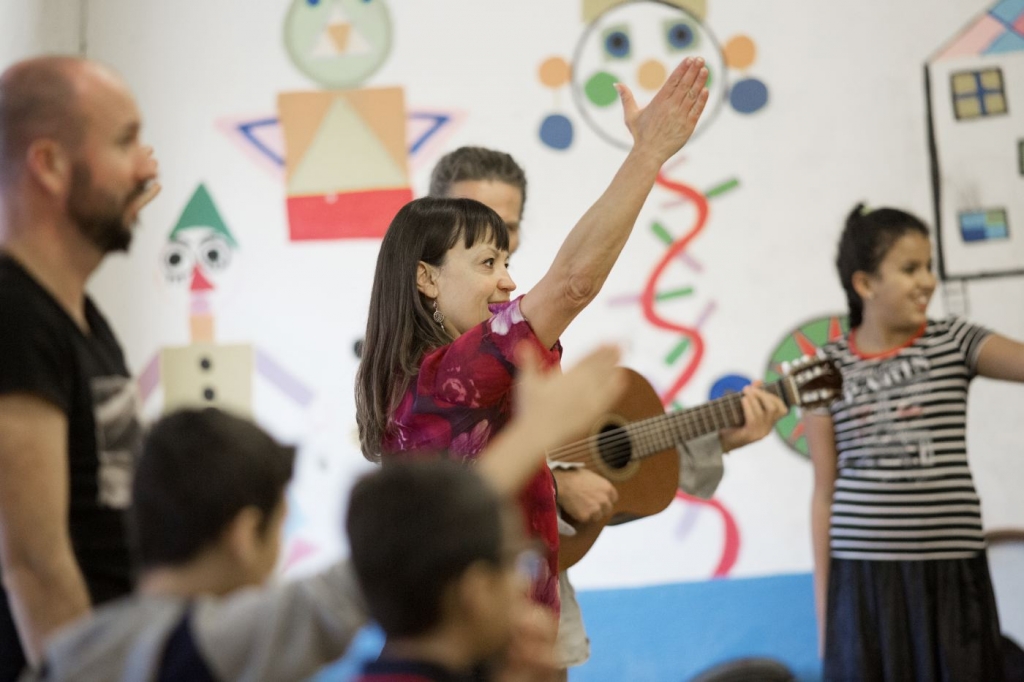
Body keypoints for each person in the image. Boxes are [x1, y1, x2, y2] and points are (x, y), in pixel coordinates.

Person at [27, 344, 626, 682]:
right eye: (278, 530)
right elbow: (379, 567)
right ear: (244, 536)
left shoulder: (72, 652)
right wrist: (535, 434)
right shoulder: (201, 645)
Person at [428, 146, 788, 670]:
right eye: (471, 224)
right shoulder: (413, 357)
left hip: (539, 614)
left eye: (504, 228)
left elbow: (609, 461)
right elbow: (435, 487)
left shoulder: (525, 334)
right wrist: (556, 482)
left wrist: (717, 436)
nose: (494, 244)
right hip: (450, 625)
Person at [804, 204, 1024, 681]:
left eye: (929, 266)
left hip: (950, 576)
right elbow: (824, 492)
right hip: (862, 583)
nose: (927, 280)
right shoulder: (825, 368)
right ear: (865, 284)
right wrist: (828, 614)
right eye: (910, 269)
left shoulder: (956, 342)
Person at [0, 55, 160, 679]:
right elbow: (34, 565)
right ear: (49, 165)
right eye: (126, 141)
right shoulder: (14, 316)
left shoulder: (81, 319)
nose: (148, 167)